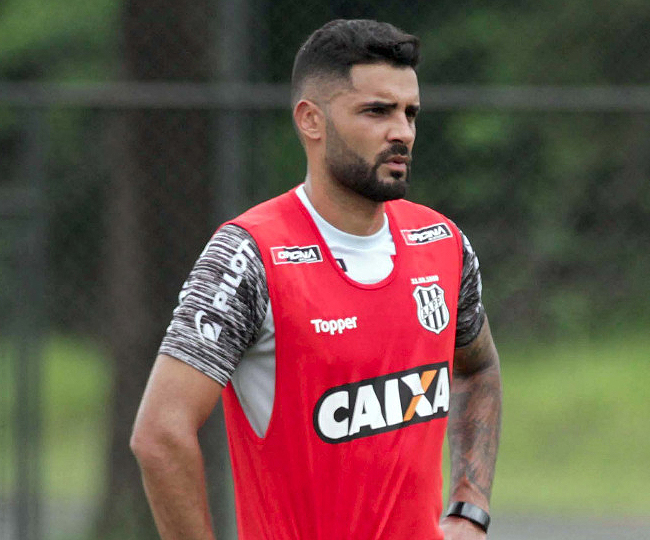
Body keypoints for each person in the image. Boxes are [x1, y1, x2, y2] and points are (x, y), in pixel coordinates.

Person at [130, 19, 502, 540]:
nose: (402, 132)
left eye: (410, 112)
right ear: (311, 120)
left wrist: (469, 509)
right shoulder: (250, 254)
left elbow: (478, 369)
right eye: (377, 111)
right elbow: (160, 434)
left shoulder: (442, 243)